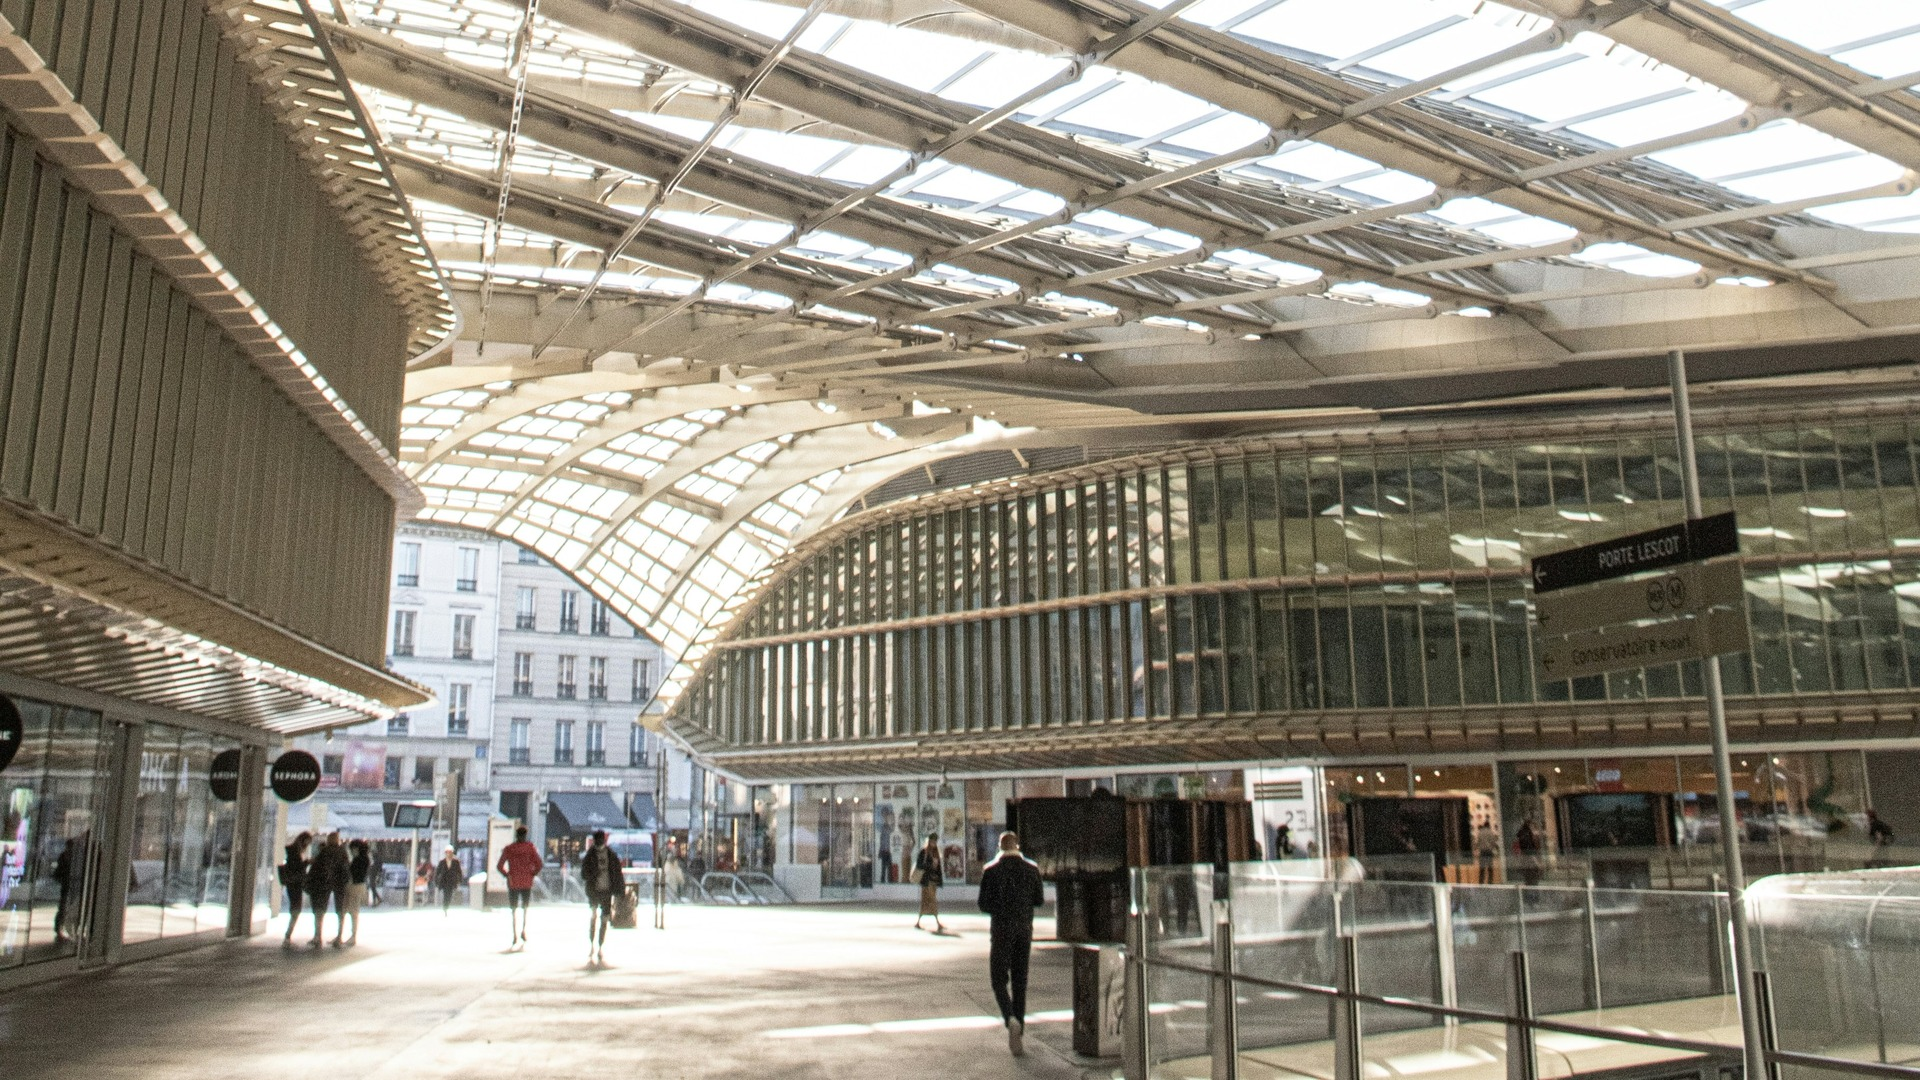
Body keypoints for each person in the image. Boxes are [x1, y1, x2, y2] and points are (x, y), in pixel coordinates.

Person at [978, 831, 1045, 1057]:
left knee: (998, 980)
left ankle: (1010, 1018)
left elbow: (983, 904)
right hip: (1024, 930)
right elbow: (1039, 900)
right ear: (1017, 845)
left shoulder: (991, 870)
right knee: (1020, 982)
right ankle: (1020, 1033)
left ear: (999, 846)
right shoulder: (1032, 869)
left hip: (1001, 931)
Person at [579, 829, 623, 962]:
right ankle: (596, 946)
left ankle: (597, 946)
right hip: (600, 891)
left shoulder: (594, 855)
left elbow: (616, 873)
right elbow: (617, 873)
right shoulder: (609, 855)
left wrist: (619, 889)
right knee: (598, 918)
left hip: (602, 891)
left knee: (600, 918)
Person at [497, 825, 543, 946]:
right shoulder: (530, 848)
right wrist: (532, 874)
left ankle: (514, 935)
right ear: (525, 835)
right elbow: (539, 864)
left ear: (516, 835)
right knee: (525, 908)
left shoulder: (509, 849)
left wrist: (507, 875)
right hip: (526, 882)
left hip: (513, 882)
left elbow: (499, 866)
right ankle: (523, 930)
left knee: (513, 909)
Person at [307, 831, 350, 948]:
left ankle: (318, 936)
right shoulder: (342, 851)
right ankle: (339, 936)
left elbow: (317, 867)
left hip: (324, 884)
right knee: (340, 910)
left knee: (320, 910)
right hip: (340, 883)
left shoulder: (325, 851)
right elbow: (346, 867)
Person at [51, 832, 88, 945]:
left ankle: (63, 930)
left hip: (71, 885)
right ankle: (62, 930)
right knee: (65, 908)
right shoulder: (70, 856)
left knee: (66, 908)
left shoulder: (70, 856)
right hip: (70, 885)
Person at [280, 832, 312, 945]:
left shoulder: (292, 850)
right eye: (307, 843)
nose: (307, 845)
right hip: (295, 883)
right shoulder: (295, 852)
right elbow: (297, 867)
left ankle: (289, 933)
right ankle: (288, 934)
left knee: (295, 908)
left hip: (292, 883)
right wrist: (307, 862)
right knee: (296, 908)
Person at [913, 832, 945, 932]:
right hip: (927, 881)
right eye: (932, 841)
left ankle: (919, 922)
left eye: (935, 841)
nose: (934, 843)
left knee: (928, 901)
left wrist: (940, 880)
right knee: (930, 901)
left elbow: (938, 868)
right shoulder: (924, 852)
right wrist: (930, 865)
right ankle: (937, 923)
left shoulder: (936, 852)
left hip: (933, 881)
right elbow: (919, 865)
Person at [344, 839, 371, 945]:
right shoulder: (366, 859)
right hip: (361, 885)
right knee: (354, 911)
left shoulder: (358, 860)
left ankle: (353, 935)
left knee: (353, 911)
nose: (351, 851)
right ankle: (353, 935)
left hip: (354, 886)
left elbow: (352, 873)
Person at [434, 847, 464, 914]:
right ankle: (445, 907)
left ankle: (446, 905)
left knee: (449, 894)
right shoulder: (442, 862)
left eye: (450, 852)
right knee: (445, 894)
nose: (449, 854)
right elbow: (437, 872)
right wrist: (436, 881)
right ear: (445, 853)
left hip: (451, 881)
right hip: (444, 881)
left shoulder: (456, 862)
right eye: (447, 852)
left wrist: (460, 880)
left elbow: (459, 871)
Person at [1514, 819, 1542, 886]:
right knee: (1533, 879)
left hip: (1524, 859)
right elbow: (1530, 849)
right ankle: (1533, 894)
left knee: (1528, 878)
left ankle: (1528, 893)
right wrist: (1537, 862)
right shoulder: (1528, 835)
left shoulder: (1521, 834)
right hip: (1530, 859)